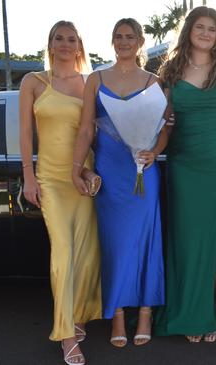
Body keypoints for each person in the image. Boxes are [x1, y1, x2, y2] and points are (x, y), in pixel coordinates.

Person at [72, 18, 168, 349]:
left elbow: (166, 126)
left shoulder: (155, 81)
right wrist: (76, 168)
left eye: (130, 36)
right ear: (112, 41)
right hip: (109, 173)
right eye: (118, 36)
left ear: (140, 41)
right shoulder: (96, 79)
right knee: (114, 244)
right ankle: (115, 314)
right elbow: (86, 129)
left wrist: (154, 151)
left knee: (145, 240)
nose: (124, 41)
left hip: (143, 170)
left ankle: (144, 312)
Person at [152, 6, 216, 343]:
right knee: (190, 240)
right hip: (184, 162)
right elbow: (161, 120)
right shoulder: (172, 71)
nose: (206, 33)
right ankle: (193, 313)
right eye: (200, 27)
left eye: (213, 29)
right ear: (189, 30)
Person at [19, 20, 101, 365]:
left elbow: (95, 132)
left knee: (86, 253)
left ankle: (79, 315)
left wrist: (92, 170)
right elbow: (25, 133)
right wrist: (29, 177)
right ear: (50, 45)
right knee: (63, 254)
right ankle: (66, 334)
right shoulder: (33, 82)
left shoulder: (88, 83)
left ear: (79, 46)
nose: (65, 44)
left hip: (81, 176)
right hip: (50, 179)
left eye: (71, 39)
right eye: (59, 38)